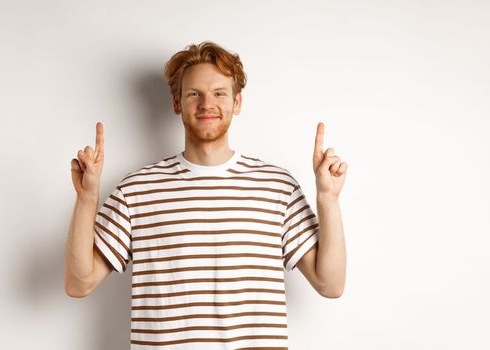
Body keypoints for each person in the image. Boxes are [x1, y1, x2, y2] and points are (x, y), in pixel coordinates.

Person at [63, 41, 347, 349]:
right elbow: (79, 283)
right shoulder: (137, 189)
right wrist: (87, 198)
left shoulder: (277, 186)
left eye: (219, 93)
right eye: (194, 93)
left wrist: (328, 200)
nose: (206, 103)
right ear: (177, 103)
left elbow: (330, 284)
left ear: (237, 102)